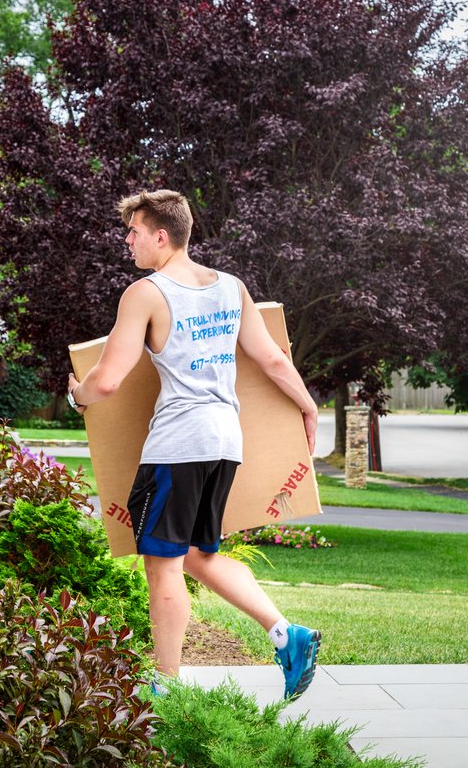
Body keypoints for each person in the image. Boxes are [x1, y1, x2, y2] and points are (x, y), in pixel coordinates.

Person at [67, 189, 322, 701]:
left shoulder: (145, 293)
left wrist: (78, 395)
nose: (128, 240)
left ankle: (165, 685)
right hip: (226, 440)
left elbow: (109, 379)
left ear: (162, 236)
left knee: (161, 565)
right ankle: (285, 635)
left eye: (134, 232)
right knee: (198, 555)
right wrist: (308, 405)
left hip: (177, 445)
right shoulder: (231, 287)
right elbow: (272, 359)